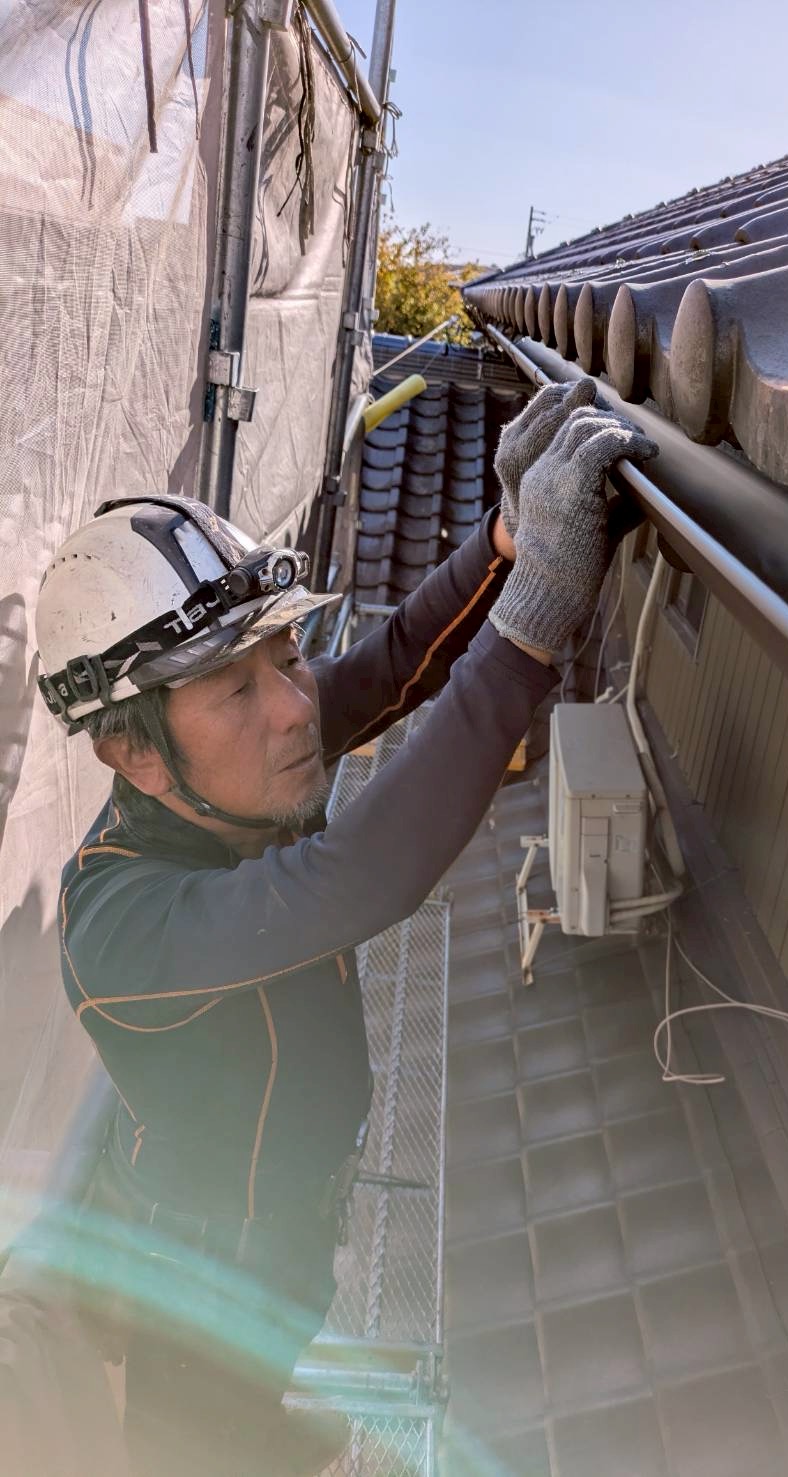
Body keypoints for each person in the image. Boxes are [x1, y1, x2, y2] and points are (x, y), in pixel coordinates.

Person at [31, 377, 656, 1476]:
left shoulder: (223, 781)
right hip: (191, 1318)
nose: (289, 702)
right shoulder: (119, 929)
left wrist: (504, 543)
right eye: (235, 689)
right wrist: (527, 633)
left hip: (279, 1242)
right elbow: (356, 877)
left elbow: (382, 666)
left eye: (281, 654)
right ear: (128, 752)